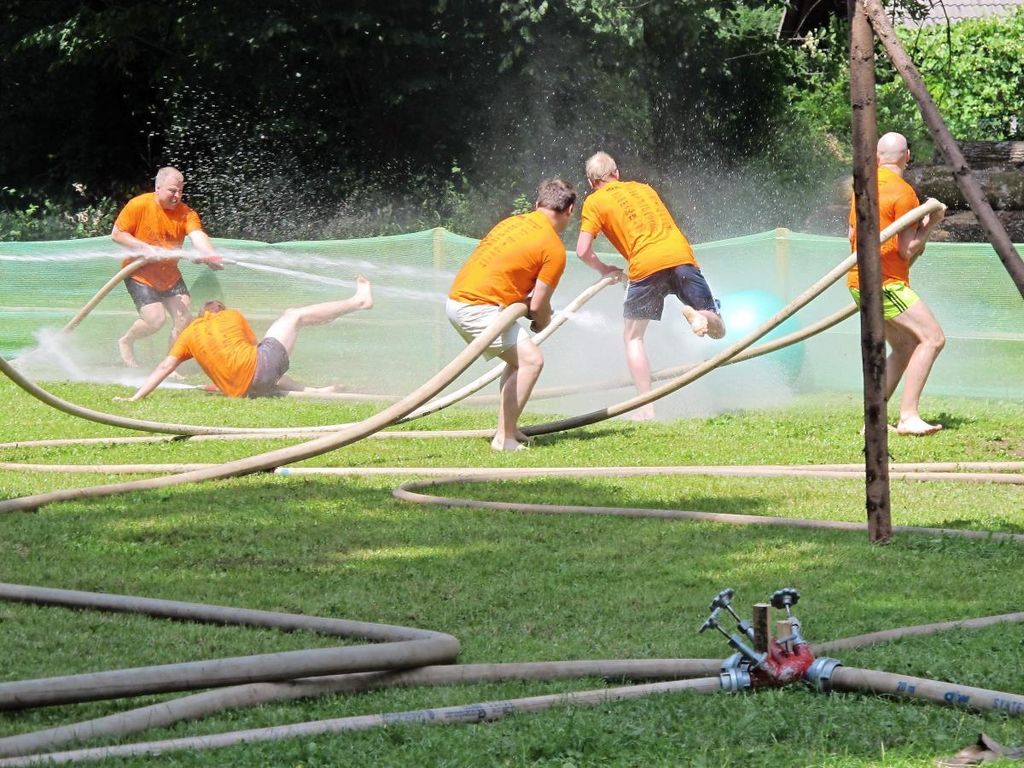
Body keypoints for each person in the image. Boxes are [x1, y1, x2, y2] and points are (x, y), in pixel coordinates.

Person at [575, 151, 725, 420]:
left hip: (645, 265)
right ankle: (701, 316)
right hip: (681, 256)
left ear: (590, 181)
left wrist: (604, 269)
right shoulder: (644, 189)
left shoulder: (594, 201)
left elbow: (583, 251)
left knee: (633, 338)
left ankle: (646, 408)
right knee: (718, 328)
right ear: (616, 173)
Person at [447, 179, 576, 451]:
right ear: (570, 210)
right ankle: (503, 439)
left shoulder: (511, 223)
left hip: (459, 300)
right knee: (532, 361)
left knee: (519, 362)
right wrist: (543, 321)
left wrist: (533, 309)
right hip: (477, 308)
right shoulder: (553, 248)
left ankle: (508, 429)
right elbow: (539, 305)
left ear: (538, 203)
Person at [115, 276, 373, 401]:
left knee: (261, 364)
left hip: (247, 390)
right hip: (261, 373)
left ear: (202, 313)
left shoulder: (190, 332)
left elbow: (164, 366)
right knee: (293, 316)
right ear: (220, 309)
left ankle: (315, 391)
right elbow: (255, 350)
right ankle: (358, 302)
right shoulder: (233, 315)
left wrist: (136, 397)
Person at [848, 132, 945, 436]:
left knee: (904, 347)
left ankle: (874, 421)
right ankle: (908, 417)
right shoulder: (904, 193)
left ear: (877, 157)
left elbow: (851, 235)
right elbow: (907, 249)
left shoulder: (862, 187)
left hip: (858, 281)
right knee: (932, 339)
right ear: (907, 156)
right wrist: (930, 224)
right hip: (885, 283)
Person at [111, 167, 224, 368]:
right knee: (155, 320)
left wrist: (209, 254)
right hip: (139, 274)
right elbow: (117, 234)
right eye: (172, 190)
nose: (177, 196)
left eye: (180, 191)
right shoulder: (139, 205)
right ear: (158, 188)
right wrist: (146, 248)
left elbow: (198, 236)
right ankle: (126, 341)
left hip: (169, 276)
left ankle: (168, 365)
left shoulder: (186, 214)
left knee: (184, 318)